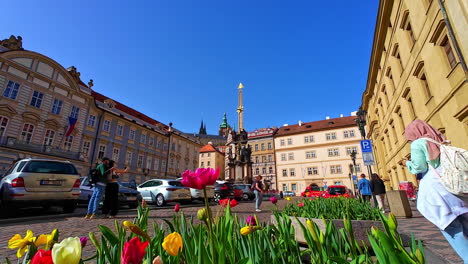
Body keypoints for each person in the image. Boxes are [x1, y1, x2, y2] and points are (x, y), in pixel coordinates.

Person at [402, 119, 468, 262]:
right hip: (454, 185)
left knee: (452, 228)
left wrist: (407, 163)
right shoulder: (439, 140)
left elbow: (419, 167)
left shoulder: (418, 144)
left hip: (438, 189)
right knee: (465, 223)